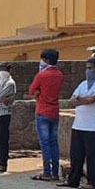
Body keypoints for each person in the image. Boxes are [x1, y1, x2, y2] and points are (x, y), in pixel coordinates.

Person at [59, 58, 95, 189]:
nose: (88, 71)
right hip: (79, 124)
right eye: (87, 68)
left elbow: (92, 99)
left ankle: (93, 182)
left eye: (91, 68)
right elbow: (72, 100)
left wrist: (81, 100)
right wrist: (82, 100)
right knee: (76, 154)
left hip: (93, 125)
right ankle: (73, 180)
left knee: (92, 155)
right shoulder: (83, 84)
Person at [28, 49, 63, 180]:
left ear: (46, 60)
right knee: (54, 142)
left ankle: (46, 172)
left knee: (45, 143)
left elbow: (31, 90)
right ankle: (55, 172)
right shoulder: (59, 75)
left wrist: (38, 92)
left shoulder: (42, 75)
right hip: (54, 111)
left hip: (42, 111)